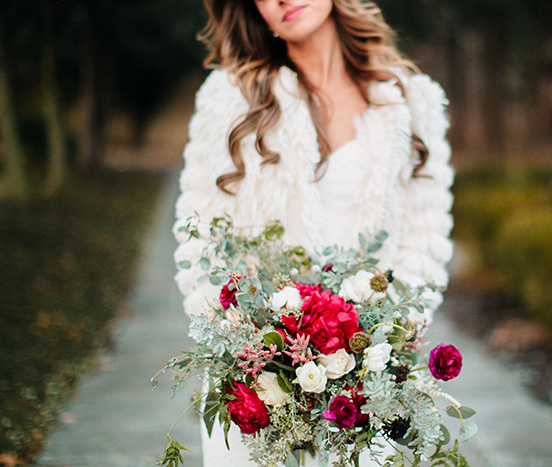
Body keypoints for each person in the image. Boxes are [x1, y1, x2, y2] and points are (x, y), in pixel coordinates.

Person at [173, 0, 454, 465]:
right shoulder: (231, 98)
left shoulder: (410, 101)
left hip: (366, 383)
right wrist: (252, 353)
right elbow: (198, 234)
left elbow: (425, 238)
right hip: (261, 380)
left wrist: (381, 345)